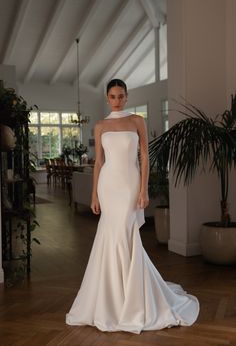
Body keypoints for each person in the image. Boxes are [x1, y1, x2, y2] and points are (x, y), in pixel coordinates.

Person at [66, 79, 199, 334]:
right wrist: (94, 193)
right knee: (111, 236)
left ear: (126, 97)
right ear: (107, 98)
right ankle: (112, 298)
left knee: (127, 237)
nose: (117, 100)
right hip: (108, 186)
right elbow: (99, 163)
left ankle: (132, 298)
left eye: (121, 96)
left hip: (129, 184)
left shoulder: (137, 120)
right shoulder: (100, 125)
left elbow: (145, 156)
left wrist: (144, 188)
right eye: (113, 96)